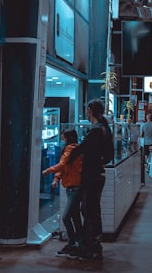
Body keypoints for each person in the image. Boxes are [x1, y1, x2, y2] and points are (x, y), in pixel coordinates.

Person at [66, 99, 114, 261]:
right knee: (93, 210)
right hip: (98, 175)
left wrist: (66, 160)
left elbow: (81, 149)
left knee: (89, 211)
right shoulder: (106, 129)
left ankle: (91, 248)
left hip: (91, 177)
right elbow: (109, 156)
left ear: (91, 111)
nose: (86, 113)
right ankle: (92, 245)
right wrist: (99, 162)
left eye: (87, 110)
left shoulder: (95, 131)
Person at [43, 129, 83, 257]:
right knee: (75, 217)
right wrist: (56, 179)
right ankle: (79, 244)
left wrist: (48, 171)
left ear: (68, 138)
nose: (61, 141)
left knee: (66, 217)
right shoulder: (72, 149)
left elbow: (61, 165)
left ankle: (72, 244)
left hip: (74, 188)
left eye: (63, 139)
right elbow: (65, 167)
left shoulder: (71, 149)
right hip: (73, 187)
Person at [139, 112, 152, 186]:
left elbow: (141, 135)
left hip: (145, 142)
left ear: (147, 118)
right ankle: (151, 167)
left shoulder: (143, 125)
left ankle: (147, 167)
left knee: (146, 155)